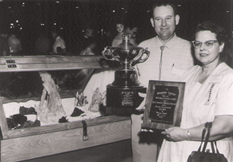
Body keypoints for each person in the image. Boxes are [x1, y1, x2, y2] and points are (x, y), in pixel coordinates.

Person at [157, 20, 233, 162]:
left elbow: (224, 126)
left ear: (221, 46)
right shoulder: (189, 73)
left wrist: (185, 134)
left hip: (207, 154)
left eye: (209, 43)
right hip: (174, 150)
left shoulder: (228, 78)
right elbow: (172, 110)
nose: (202, 48)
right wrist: (154, 120)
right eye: (197, 44)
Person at [131, 2, 194, 162]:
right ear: (152, 22)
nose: (164, 24)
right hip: (143, 122)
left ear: (176, 19)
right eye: (158, 19)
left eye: (168, 18)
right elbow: (133, 83)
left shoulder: (191, 50)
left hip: (176, 124)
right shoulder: (142, 49)